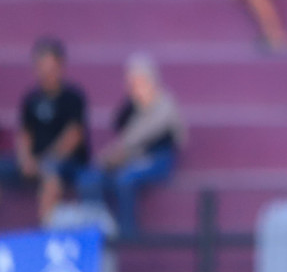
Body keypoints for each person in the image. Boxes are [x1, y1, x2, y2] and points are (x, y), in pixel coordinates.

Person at [76, 54, 186, 237]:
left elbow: (140, 137)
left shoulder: (165, 103)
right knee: (90, 178)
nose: (133, 87)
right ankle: (94, 228)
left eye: (138, 82)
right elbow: (119, 129)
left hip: (157, 159)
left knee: (125, 179)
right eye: (131, 82)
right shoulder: (131, 107)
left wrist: (115, 155)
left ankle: (126, 233)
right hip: (131, 158)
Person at [0, 38, 89, 225]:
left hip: (66, 163)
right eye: (41, 66)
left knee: (50, 176)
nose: (46, 73)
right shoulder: (32, 99)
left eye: (50, 67)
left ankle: (45, 236)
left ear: (61, 66)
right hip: (35, 162)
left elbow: (73, 137)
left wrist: (43, 161)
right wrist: (25, 160)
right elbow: (25, 134)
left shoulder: (73, 98)